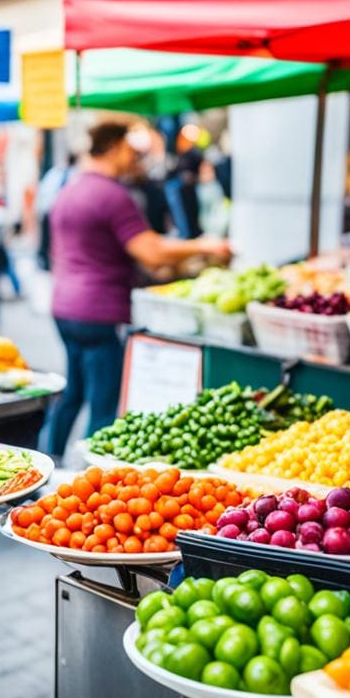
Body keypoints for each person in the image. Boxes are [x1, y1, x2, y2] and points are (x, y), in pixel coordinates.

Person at [45, 121, 232, 456]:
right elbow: (151, 252)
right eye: (131, 151)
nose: (135, 159)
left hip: (64, 307)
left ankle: (47, 462)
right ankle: (90, 482)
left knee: (73, 392)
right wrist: (204, 245)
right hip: (99, 311)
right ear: (114, 147)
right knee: (103, 404)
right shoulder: (113, 194)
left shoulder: (70, 188)